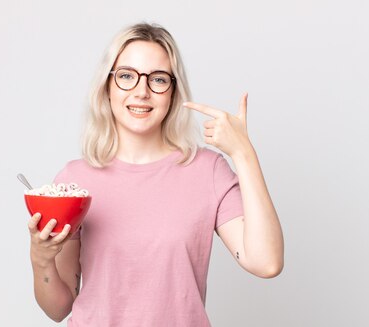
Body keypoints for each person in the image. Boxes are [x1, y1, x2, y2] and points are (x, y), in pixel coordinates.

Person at [27, 22, 284, 326]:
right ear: (107, 88)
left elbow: (266, 262)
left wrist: (244, 154)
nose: (141, 91)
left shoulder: (208, 171)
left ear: (173, 92)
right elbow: (58, 309)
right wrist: (41, 258)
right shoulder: (75, 180)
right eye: (126, 76)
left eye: (158, 79)